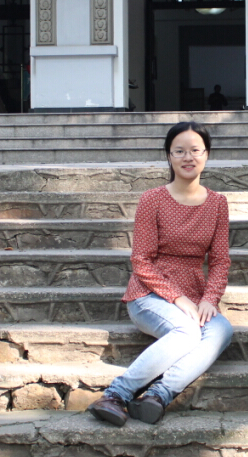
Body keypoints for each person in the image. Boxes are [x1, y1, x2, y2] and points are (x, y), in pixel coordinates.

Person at [87, 121, 233, 426]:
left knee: (222, 330)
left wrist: (210, 298)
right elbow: (141, 260)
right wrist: (177, 298)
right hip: (148, 294)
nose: (188, 157)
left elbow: (220, 261)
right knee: (187, 332)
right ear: (169, 156)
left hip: (195, 294)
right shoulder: (152, 199)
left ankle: (157, 395)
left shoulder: (218, 203)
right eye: (179, 151)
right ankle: (115, 395)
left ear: (206, 154)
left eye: (195, 150)